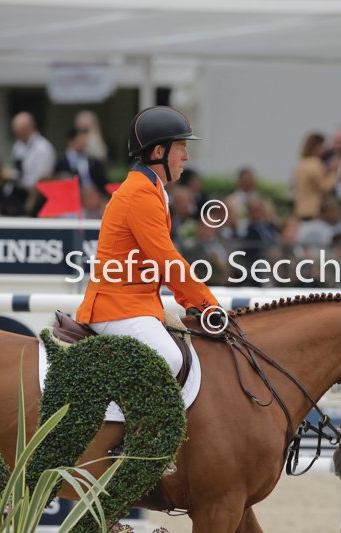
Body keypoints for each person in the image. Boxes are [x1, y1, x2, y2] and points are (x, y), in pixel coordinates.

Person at [74, 106, 223, 480]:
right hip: (116, 306)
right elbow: (167, 259)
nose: (186, 156)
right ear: (158, 152)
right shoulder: (140, 193)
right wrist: (207, 305)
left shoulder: (153, 189)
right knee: (168, 357)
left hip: (137, 303)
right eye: (181, 148)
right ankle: (139, 448)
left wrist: (195, 303)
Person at [293, 132, 339, 220]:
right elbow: (325, 187)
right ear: (317, 147)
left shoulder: (301, 164)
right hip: (314, 210)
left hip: (300, 209)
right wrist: (334, 173)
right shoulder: (315, 164)